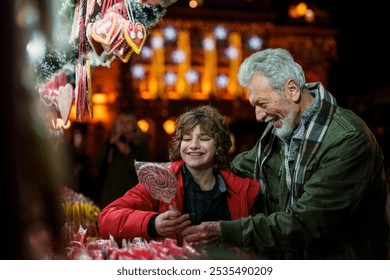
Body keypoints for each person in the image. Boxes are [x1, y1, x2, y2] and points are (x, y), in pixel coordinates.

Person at [181, 48, 389, 259]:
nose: (258, 116)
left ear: (292, 90)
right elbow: (236, 170)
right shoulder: (281, 130)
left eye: (262, 104)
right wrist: (178, 169)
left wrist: (224, 231)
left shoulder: (348, 138)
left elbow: (308, 222)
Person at [98, 104, 261, 256]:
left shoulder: (241, 188)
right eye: (187, 138)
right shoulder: (160, 179)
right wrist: (153, 223)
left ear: (218, 145)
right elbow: (107, 220)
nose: (193, 145)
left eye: (204, 138)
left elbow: (259, 241)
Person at [92, 110, 150, 208]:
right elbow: (97, 163)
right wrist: (109, 144)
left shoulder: (141, 143)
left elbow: (143, 171)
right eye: (122, 122)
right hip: (111, 193)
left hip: (131, 193)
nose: (125, 125)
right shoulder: (112, 142)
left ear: (134, 125)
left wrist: (128, 154)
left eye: (128, 122)